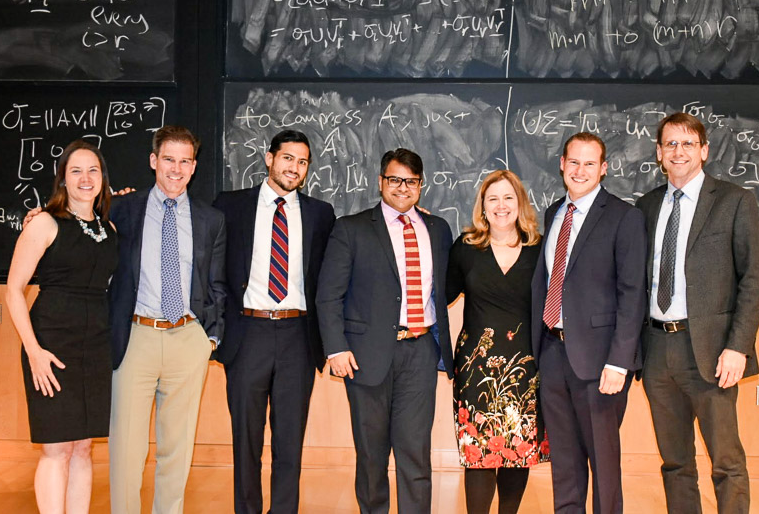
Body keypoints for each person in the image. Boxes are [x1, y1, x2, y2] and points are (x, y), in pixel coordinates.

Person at [636, 112, 759, 514]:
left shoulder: (734, 201)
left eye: (688, 143)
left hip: (712, 352)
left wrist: (738, 347)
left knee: (726, 462)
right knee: (675, 463)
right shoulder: (646, 205)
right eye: (670, 144)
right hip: (657, 349)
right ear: (659, 153)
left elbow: (752, 280)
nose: (679, 152)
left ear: (704, 150)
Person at [316, 148, 454, 513]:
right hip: (364, 357)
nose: (402, 188)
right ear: (381, 182)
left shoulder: (438, 229)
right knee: (371, 456)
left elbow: (445, 286)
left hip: (420, 353)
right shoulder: (351, 228)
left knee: (415, 454)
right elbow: (328, 296)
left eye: (411, 181)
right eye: (395, 179)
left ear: (421, 185)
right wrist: (336, 348)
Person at [213, 130, 335, 513]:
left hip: (298, 335)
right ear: (269, 159)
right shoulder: (230, 206)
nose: (294, 168)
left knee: (289, 442)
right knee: (245, 439)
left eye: (302, 162)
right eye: (287, 158)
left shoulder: (321, 213)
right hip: (248, 332)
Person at [107, 125, 227, 514]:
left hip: (187, 339)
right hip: (136, 337)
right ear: (153, 161)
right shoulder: (122, 208)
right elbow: (75, 220)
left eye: (185, 161)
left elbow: (217, 283)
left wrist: (208, 339)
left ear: (194, 167)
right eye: (169, 159)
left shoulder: (211, 220)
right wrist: (40, 214)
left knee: (176, 449)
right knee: (126, 449)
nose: (176, 169)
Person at [531, 132, 646, 513]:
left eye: (590, 163)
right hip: (552, 353)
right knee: (564, 462)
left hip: (600, 362)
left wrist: (619, 361)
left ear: (604, 169)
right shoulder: (553, 213)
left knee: (603, 464)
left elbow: (632, 294)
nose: (580, 170)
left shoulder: (624, 217)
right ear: (562, 164)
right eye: (574, 162)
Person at [6, 140, 117, 513]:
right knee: (56, 449)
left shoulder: (109, 229)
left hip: (95, 349)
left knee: (83, 447)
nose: (86, 178)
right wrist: (34, 351)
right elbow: (13, 291)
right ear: (63, 180)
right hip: (51, 347)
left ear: (103, 178)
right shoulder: (45, 223)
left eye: (93, 171)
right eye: (76, 171)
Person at [447, 170, 549, 514]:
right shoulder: (465, 248)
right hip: (477, 371)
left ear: (520, 203)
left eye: (508, 197)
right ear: (483, 206)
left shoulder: (540, 249)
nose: (501, 205)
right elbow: (442, 294)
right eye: (493, 198)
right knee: (478, 454)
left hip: (526, 369)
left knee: (516, 453)